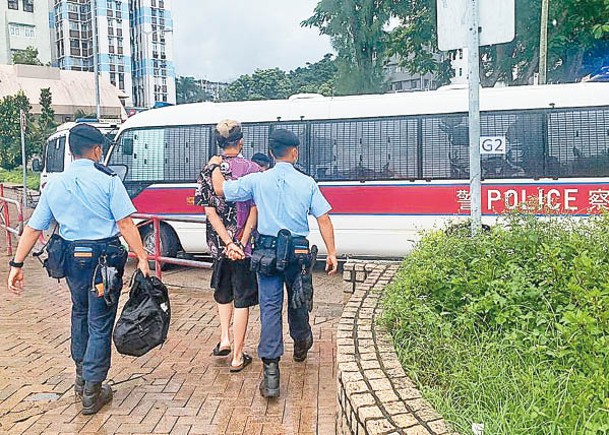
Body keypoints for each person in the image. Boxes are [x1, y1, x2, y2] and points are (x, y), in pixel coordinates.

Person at [6, 124, 150, 415]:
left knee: (79, 313)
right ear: (97, 150)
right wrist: (143, 258)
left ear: (70, 152)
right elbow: (124, 224)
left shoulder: (55, 184)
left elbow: (35, 228)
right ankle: (93, 391)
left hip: (72, 261)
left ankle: (81, 377)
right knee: (99, 321)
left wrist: (16, 264)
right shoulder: (108, 180)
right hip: (104, 262)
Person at [209, 129, 338, 398]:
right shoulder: (307, 183)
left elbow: (221, 190)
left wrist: (215, 165)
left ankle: (271, 377)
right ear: (294, 152)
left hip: (266, 251)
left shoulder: (257, 180)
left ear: (270, 153)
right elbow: (324, 219)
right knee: (299, 300)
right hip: (298, 251)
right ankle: (301, 342)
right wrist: (332, 253)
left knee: (269, 308)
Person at [194, 119, 260, 372]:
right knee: (242, 298)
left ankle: (224, 338)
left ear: (219, 143)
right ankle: (237, 356)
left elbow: (209, 212)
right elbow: (254, 210)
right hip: (243, 247)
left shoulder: (208, 170)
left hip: (219, 246)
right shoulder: (253, 169)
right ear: (241, 142)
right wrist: (240, 243)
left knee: (223, 293)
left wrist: (227, 242)